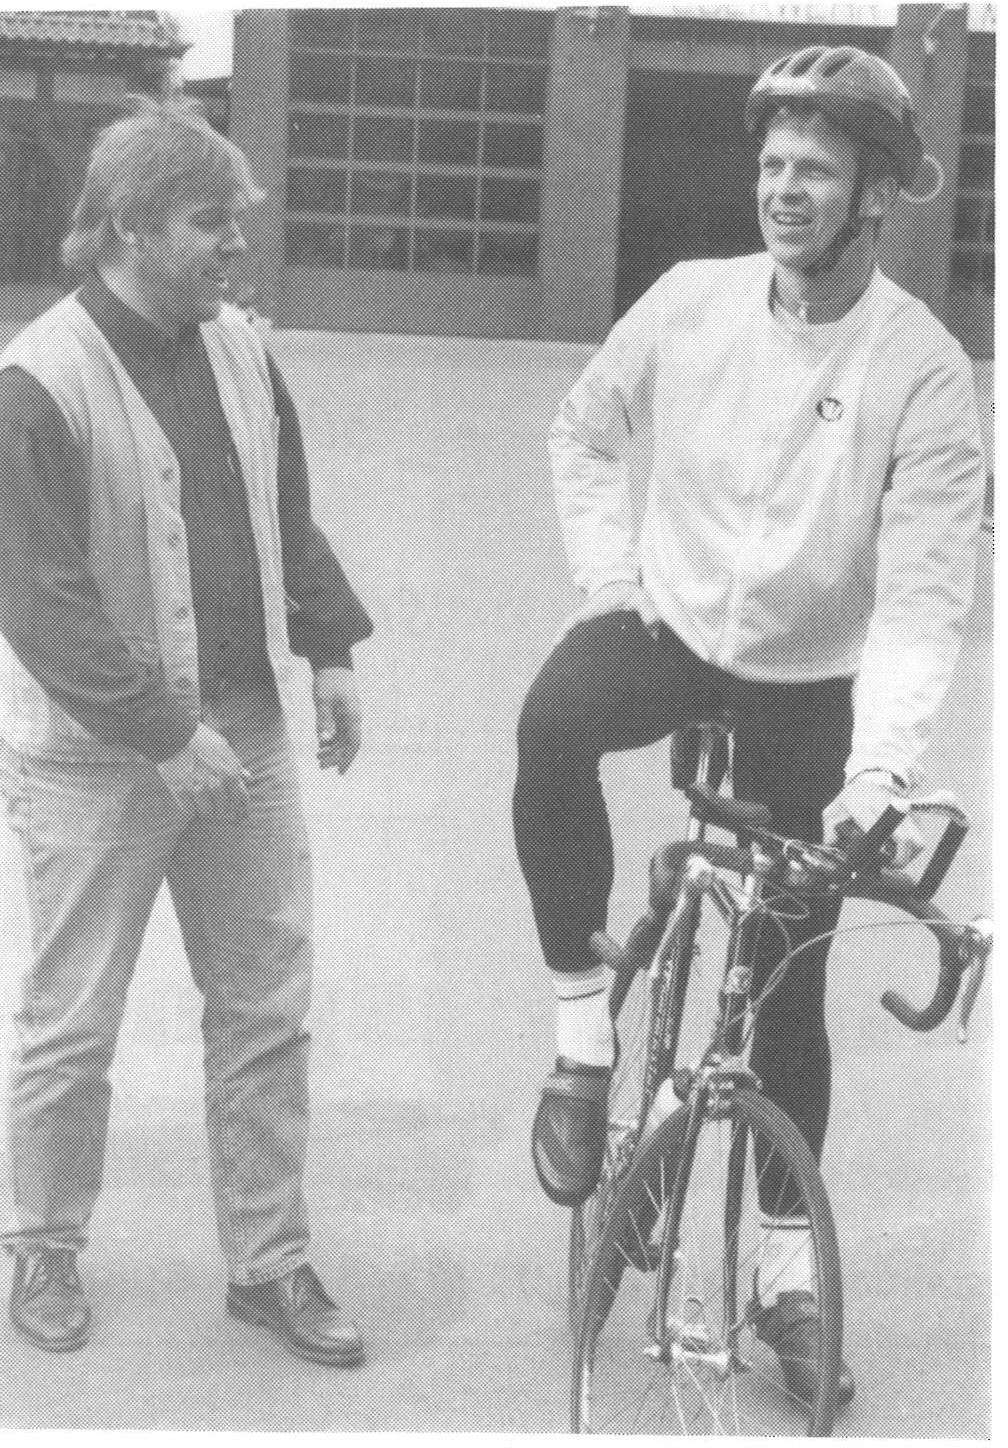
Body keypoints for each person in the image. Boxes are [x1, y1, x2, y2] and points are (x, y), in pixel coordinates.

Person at [514, 46, 984, 1405]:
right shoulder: (689, 301)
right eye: (773, 164)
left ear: (874, 194)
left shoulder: (923, 367)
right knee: (552, 722)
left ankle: (786, 1274)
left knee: (788, 976)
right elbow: (583, 431)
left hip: (810, 681)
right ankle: (583, 1043)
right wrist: (608, 580)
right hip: (668, 631)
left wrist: (882, 766)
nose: (784, 189)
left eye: (815, 170)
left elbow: (925, 589)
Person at [0, 100, 373, 1365]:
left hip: (247, 731)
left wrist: (328, 648)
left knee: (266, 1005)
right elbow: (38, 599)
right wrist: (164, 729)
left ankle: (268, 1261)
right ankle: (44, 1244)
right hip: (95, 756)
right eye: (212, 222)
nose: (237, 246)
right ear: (128, 227)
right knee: (73, 1020)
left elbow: (284, 506)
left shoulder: (242, 351)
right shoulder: (36, 382)